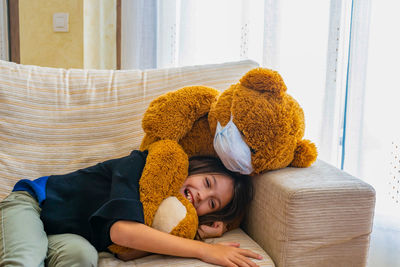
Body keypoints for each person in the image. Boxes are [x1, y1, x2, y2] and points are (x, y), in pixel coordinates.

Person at [0, 150, 260, 267]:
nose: (201, 196)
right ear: (195, 168)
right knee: (25, 260)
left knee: (82, 258)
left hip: (65, 236)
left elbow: (125, 253)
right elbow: (121, 232)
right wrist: (205, 250)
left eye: (211, 203)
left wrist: (199, 233)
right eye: (206, 183)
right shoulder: (141, 163)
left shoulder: (163, 215)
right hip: (34, 204)